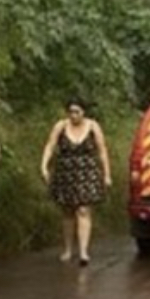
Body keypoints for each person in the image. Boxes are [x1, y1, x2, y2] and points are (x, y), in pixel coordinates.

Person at [40, 99, 112, 267]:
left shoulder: (93, 127)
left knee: (84, 210)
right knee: (67, 211)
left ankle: (83, 251)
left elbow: (102, 151)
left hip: (87, 173)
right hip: (66, 172)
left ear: (84, 112)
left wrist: (107, 174)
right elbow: (50, 146)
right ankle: (67, 249)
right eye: (71, 112)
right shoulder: (60, 126)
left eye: (77, 112)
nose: (73, 115)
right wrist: (44, 165)